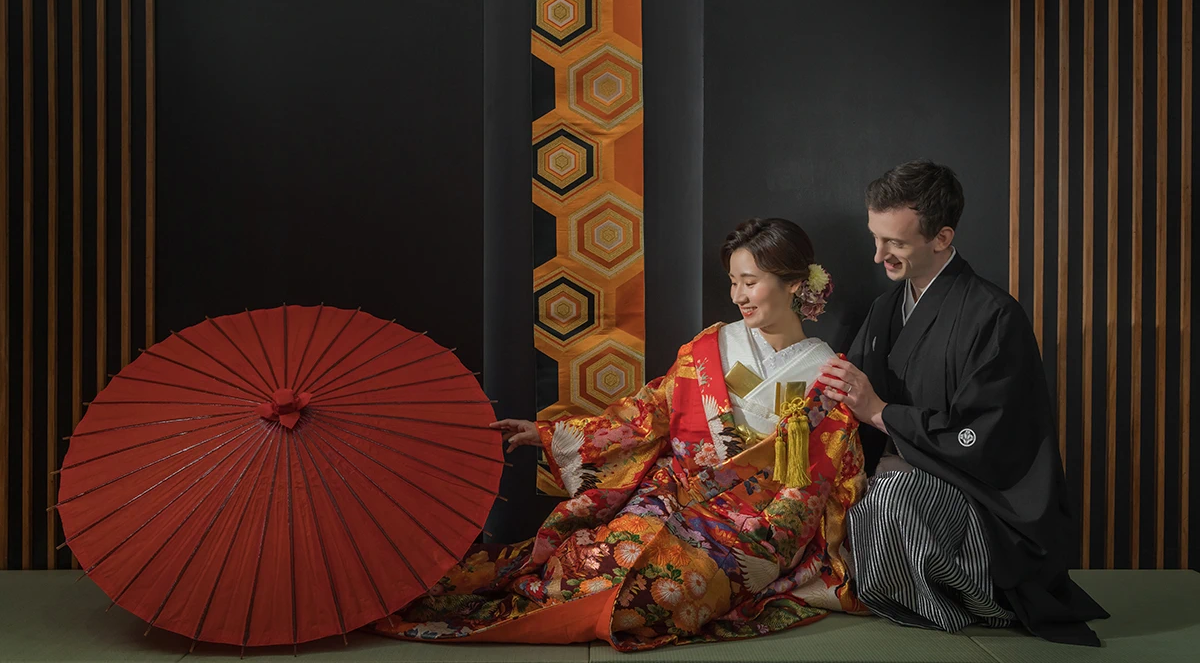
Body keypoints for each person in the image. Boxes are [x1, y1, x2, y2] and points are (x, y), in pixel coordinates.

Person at [373, 218, 868, 651]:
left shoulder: (826, 376)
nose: (738, 296)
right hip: (673, 489)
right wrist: (550, 434)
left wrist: (768, 534)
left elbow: (814, 484)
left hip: (750, 519)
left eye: (751, 282)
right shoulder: (710, 345)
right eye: (733, 282)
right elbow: (646, 414)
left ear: (794, 283)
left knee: (666, 591)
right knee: (591, 563)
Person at [817, 159, 1108, 646]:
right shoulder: (887, 308)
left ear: (942, 238)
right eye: (876, 238)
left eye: (894, 243)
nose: (878, 256)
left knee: (890, 498)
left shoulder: (994, 316)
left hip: (983, 503)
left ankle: (962, 603)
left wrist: (882, 413)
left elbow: (986, 437)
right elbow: (854, 403)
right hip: (894, 473)